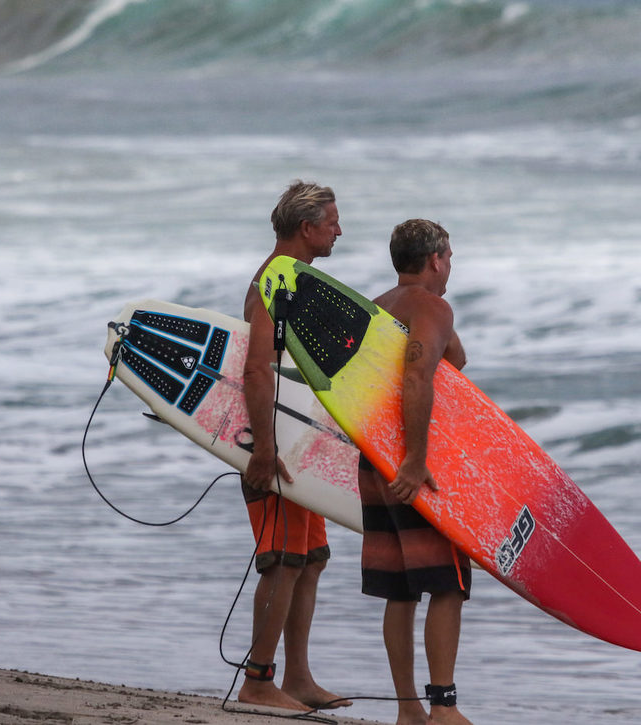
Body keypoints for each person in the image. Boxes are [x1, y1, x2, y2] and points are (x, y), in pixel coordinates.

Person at [238, 180, 349, 712]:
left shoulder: (298, 280)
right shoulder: (274, 282)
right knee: (281, 559)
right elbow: (257, 369)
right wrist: (262, 450)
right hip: (272, 445)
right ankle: (258, 681)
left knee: (309, 559)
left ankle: (298, 678)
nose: (338, 230)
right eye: (332, 222)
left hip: (298, 445)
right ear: (307, 228)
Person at [358, 219, 474, 725]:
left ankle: (408, 711)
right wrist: (415, 459)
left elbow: (454, 357)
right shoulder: (432, 306)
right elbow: (418, 375)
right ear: (436, 260)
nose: (451, 267)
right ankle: (443, 709)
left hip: (373, 458)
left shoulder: (380, 305)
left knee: (400, 586)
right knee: (447, 583)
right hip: (410, 465)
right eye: (450, 257)